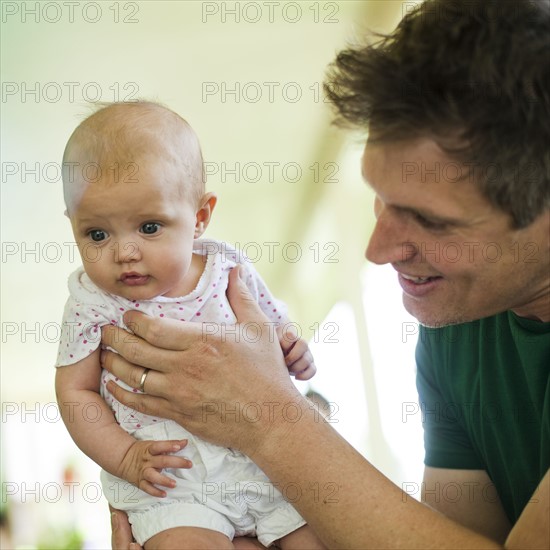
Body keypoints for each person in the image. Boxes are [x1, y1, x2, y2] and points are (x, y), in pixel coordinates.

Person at [105, 0, 549, 548]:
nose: (377, 249)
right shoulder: (459, 324)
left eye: (431, 220)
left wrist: (270, 418)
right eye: (381, 201)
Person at [54, 102, 325, 549]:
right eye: (97, 234)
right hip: (171, 479)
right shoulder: (91, 303)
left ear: (199, 217)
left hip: (264, 464)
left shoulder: (228, 271)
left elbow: (274, 330)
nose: (124, 252)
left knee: (320, 536)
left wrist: (293, 348)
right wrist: (123, 455)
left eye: (149, 226)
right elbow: (74, 391)